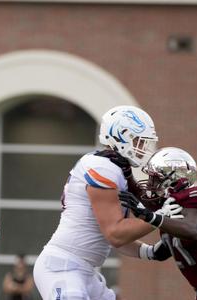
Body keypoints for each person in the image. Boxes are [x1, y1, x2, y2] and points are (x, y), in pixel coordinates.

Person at [33, 105, 168, 300]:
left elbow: (109, 236)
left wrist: (149, 252)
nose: (143, 148)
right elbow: (115, 234)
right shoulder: (103, 167)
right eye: (139, 140)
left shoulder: (112, 167)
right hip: (64, 267)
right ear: (121, 136)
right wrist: (161, 217)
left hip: (83, 271)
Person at [119, 147, 197, 299]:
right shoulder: (171, 214)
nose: (149, 183)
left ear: (171, 179)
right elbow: (159, 253)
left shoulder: (192, 197)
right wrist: (127, 174)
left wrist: (149, 217)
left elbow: (194, 229)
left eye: (154, 178)